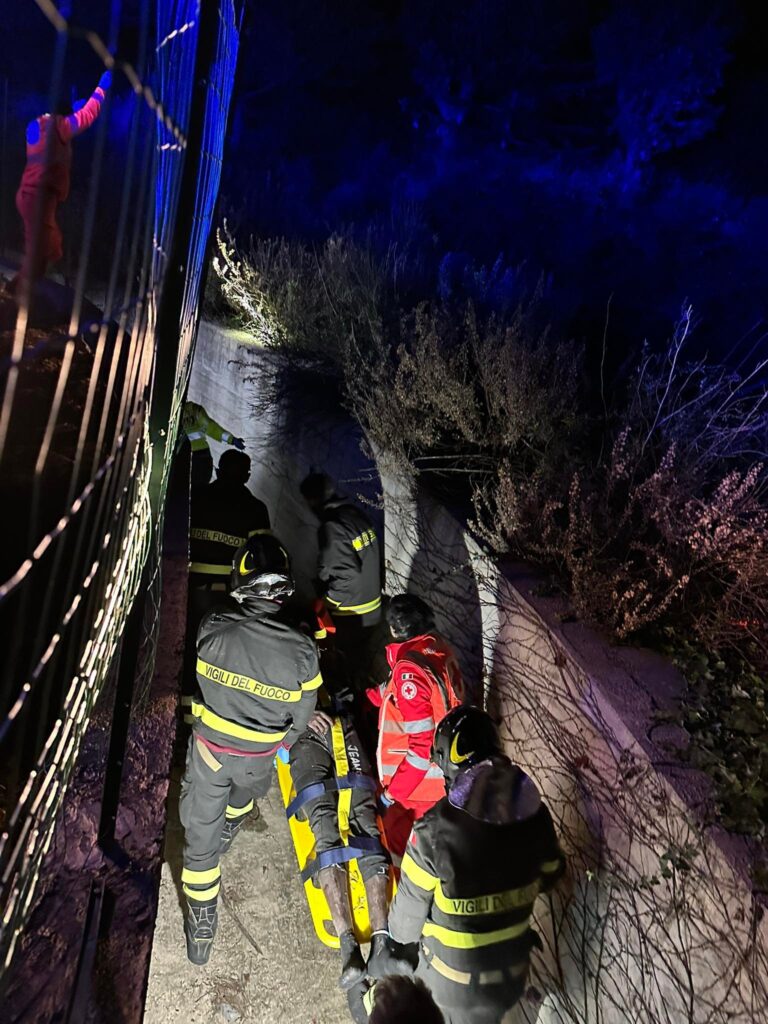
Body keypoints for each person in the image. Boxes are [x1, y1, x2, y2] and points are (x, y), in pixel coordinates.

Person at [179, 533, 323, 965]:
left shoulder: (214, 627)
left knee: (199, 842)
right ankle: (232, 823)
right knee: (243, 796)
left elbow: (203, 681)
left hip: (211, 754)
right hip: (258, 761)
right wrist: (278, 744)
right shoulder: (304, 653)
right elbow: (301, 720)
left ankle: (202, 932)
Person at [387, 706, 566, 1024]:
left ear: (450, 766)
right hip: (512, 977)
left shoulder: (432, 832)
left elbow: (403, 928)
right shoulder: (534, 812)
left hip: (450, 988)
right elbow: (553, 874)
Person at [287, 670, 406, 992]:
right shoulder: (288, 666)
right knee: (344, 826)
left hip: (328, 729)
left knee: (348, 825)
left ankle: (362, 947)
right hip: (312, 732)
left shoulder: (309, 663)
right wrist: (301, 716)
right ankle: (364, 946)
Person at [367, 595, 463, 848]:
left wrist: (391, 795)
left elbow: (421, 749)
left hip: (416, 790)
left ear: (394, 629)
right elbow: (396, 689)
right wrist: (369, 697)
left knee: (405, 848)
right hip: (438, 777)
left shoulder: (410, 670)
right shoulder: (433, 647)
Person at [182, 449, 271, 723]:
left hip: (189, 586)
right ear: (247, 476)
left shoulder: (195, 496)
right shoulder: (256, 509)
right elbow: (262, 557)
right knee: (221, 650)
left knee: (188, 644)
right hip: (228, 594)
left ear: (218, 471)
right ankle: (210, 710)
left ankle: (184, 708)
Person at [13, 71, 111, 292]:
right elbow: (87, 116)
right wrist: (101, 88)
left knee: (49, 249)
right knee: (43, 254)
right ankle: (17, 297)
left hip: (29, 197)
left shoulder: (37, 125)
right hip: (40, 199)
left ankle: (18, 292)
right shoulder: (59, 126)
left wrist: (71, 111)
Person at [300, 471, 383, 691]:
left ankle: (345, 703)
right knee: (358, 668)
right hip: (371, 609)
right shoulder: (354, 515)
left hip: (350, 616)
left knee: (342, 671)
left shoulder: (332, 526)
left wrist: (327, 602)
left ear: (313, 500)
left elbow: (346, 573)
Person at [182, 400, 246, 489]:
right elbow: (211, 428)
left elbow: (211, 428)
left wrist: (232, 439)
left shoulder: (170, 414)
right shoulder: (194, 410)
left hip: (189, 460)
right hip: (201, 458)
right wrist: (232, 440)